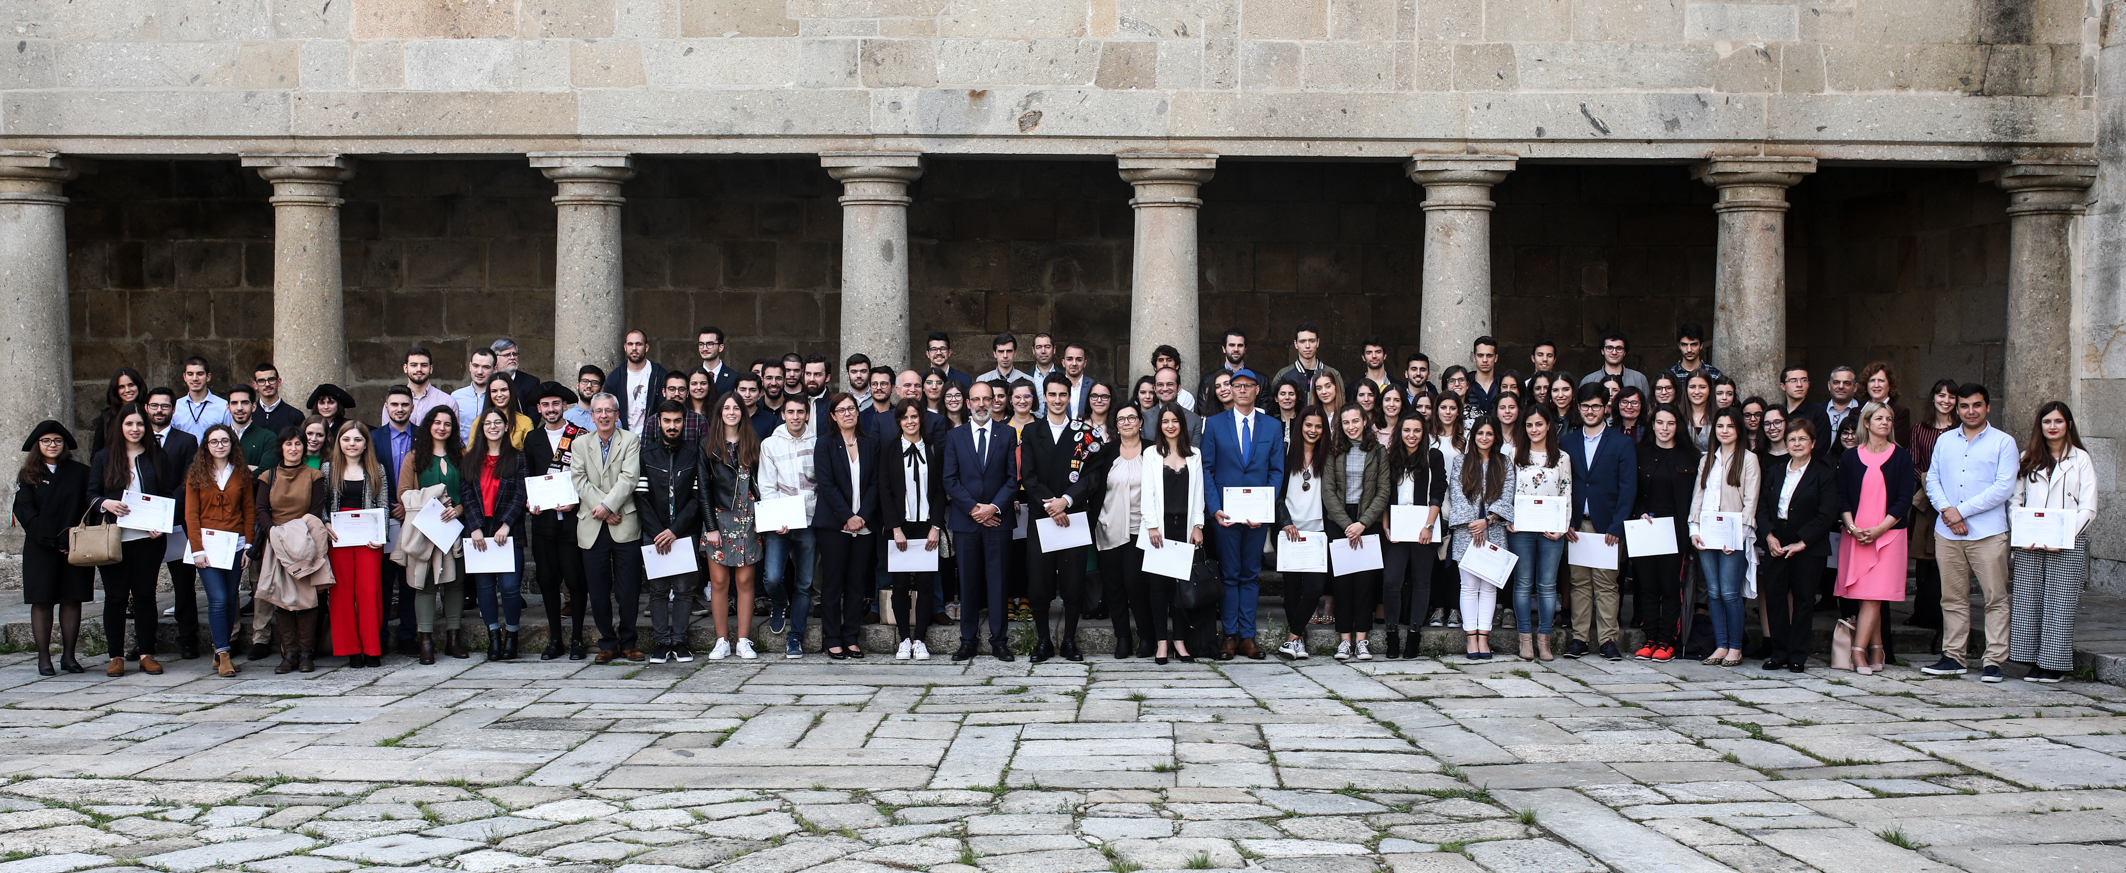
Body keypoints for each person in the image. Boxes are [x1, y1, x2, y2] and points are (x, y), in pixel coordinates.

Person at [1922, 384, 2017, 681]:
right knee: (1951, 598)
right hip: (1948, 533)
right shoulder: (1945, 440)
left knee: (1995, 598)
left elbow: (2003, 487)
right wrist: (1948, 512)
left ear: (1988, 407)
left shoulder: (2004, 442)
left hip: (1988, 534)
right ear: (1957, 408)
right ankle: (1953, 656)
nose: (1970, 411)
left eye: (1976, 405)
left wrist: (1961, 512)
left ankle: (1994, 661)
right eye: (1964, 406)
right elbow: (1932, 479)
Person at [2007, 402, 2095, 683]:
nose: (2052, 426)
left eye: (2058, 421)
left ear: (2068, 424)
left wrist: (2065, 537)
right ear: (2040, 426)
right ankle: (2032, 660)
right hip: (2029, 543)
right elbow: (2014, 500)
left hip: (2066, 543)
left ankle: (2053, 664)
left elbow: (2089, 506)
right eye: (2047, 422)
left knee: (2060, 602)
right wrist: (2021, 532)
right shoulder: (2027, 457)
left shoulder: (2080, 459)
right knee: (2027, 600)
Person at [1022, 373, 1107, 661]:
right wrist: (1051, 505)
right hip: (1042, 517)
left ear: (1069, 398)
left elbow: (1093, 475)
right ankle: (1043, 641)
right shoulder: (1032, 433)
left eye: (1063, 395)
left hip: (1073, 517)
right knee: (1039, 584)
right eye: (1052, 395)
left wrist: (1066, 501)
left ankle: (1069, 641)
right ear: (1043, 397)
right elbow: (1028, 477)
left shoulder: (1085, 433)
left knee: (1073, 584)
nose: (1058, 400)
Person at [1202, 369, 1282, 661]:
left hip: (1257, 515)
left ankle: (1248, 637)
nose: (1243, 390)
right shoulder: (1213, 425)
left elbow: (1276, 471)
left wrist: (1265, 508)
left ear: (1257, 390)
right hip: (1226, 514)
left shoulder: (1272, 426)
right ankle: (1229, 636)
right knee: (1229, 574)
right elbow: (1206, 470)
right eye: (1237, 386)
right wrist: (1214, 508)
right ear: (1230, 391)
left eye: (1249, 386)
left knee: (1250, 575)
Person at [89, 402, 173, 676]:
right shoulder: (103, 458)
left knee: (146, 595)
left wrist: (161, 523)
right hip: (114, 538)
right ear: (119, 427)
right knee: (114, 597)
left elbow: (169, 495)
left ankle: (146, 653)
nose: (135, 429)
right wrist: (106, 504)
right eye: (129, 424)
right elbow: (90, 494)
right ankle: (115, 656)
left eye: (139, 424)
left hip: (148, 539)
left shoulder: (158, 457)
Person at [1839, 401, 1917, 676]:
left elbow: (1904, 499)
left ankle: (1857, 652)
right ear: (1867, 423)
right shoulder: (1849, 457)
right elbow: (1843, 498)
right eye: (1879, 418)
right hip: (1856, 535)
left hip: (1889, 535)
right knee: (1867, 596)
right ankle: (1876, 648)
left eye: (1889, 419)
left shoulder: (1901, 457)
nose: (1885, 422)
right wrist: (1852, 528)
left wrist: (1880, 529)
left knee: (1873, 597)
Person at [1756, 419, 1839, 673]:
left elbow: (1827, 514)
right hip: (1776, 541)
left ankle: (1798, 655)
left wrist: (1802, 542)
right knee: (1775, 598)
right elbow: (1761, 506)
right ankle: (1779, 653)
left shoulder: (1823, 473)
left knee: (1803, 600)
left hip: (1808, 545)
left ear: (1813, 443)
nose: (1797, 443)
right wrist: (1769, 536)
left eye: (1802, 439)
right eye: (1792, 439)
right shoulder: (1776, 470)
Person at [944, 380, 1019, 662]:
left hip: (998, 521)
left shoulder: (1008, 434)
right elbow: (950, 480)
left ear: (995, 402)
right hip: (966, 522)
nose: (982, 404)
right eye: (976, 399)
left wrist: (993, 508)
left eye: (987, 399)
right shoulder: (955, 436)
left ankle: (999, 641)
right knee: (968, 583)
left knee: (998, 583)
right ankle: (968, 640)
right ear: (968, 404)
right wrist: (976, 509)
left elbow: (1013, 479)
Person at [15, 422, 95, 676]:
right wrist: (49, 539)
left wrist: (69, 540)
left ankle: (69, 656)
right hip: (41, 547)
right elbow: (25, 511)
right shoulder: (28, 474)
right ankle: (44, 657)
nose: (52, 445)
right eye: (46, 440)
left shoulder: (81, 472)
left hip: (74, 545)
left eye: (57, 441)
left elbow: (87, 508)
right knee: (42, 600)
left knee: (72, 599)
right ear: (37, 445)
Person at [575, 393, 647, 664]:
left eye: (609, 411)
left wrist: (609, 506)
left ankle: (629, 643)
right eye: (598, 411)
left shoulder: (630, 440)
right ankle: (607, 642)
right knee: (598, 588)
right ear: (591, 416)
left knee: (628, 589)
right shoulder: (580, 444)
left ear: (617, 415)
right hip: (593, 524)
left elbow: (630, 478)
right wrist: (603, 510)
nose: (604, 416)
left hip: (624, 521)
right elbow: (579, 480)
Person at [1689, 408, 1761, 667]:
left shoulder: (1749, 459)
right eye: (1720, 426)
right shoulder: (1707, 458)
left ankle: (1735, 647)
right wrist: (1693, 529)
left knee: (1730, 593)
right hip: (1707, 533)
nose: (1724, 430)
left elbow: (1751, 501)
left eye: (1730, 426)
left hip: (1733, 535)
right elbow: (1698, 495)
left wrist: (1738, 538)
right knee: (1714, 593)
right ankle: (1720, 645)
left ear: (1738, 429)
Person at [254, 427, 330, 674]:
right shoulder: (268, 476)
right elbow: (262, 509)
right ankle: (289, 654)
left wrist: (296, 536)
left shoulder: (314, 475)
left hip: (305, 543)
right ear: (281, 447)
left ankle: (307, 654)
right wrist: (274, 534)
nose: (294, 448)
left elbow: (316, 510)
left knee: (308, 599)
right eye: (289, 444)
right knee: (282, 599)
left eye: (298, 444)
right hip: (276, 544)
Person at [813, 392, 881, 660]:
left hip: (863, 525)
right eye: (841, 410)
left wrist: (862, 515)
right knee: (833, 583)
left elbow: (876, 483)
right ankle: (832, 638)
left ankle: (851, 636)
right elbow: (826, 485)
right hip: (833, 525)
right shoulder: (825, 444)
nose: (847, 414)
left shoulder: (870, 444)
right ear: (832, 416)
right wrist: (847, 516)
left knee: (857, 583)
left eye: (851, 408)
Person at [525, 382, 588, 660]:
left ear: (565, 406)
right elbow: (527, 476)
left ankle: (576, 639)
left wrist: (577, 501)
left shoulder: (581, 436)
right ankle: (555, 639)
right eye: (545, 405)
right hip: (544, 523)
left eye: (556, 404)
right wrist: (529, 501)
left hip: (573, 521)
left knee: (576, 581)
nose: (551, 409)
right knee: (548, 581)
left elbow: (590, 477)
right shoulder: (532, 439)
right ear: (539, 409)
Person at [1630, 405, 1698, 662]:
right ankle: (1649, 638)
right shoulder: (1639, 453)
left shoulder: (1691, 457)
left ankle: (1666, 640)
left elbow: (1696, 497)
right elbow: (1630, 490)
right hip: (1645, 529)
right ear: (1653, 425)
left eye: (1670, 423)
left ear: (1677, 426)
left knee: (1671, 588)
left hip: (1675, 532)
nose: (1665, 428)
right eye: (1660, 423)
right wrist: (1640, 512)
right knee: (1647, 586)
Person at [400, 407, 468, 662]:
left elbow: (470, 491)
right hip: (425, 529)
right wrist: (429, 502)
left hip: (453, 528)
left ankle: (453, 638)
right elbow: (403, 493)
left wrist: (458, 509)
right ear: (428, 425)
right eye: (437, 423)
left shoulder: (461, 455)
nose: (442, 427)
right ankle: (425, 640)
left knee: (455, 583)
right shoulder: (414, 457)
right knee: (425, 584)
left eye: (447, 424)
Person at [638, 400, 703, 664]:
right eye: (667, 420)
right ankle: (662, 643)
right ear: (659, 422)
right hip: (654, 534)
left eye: (677, 421)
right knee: (658, 591)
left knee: (684, 590)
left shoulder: (693, 453)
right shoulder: (646, 455)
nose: (672, 426)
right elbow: (640, 498)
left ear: (684, 422)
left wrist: (674, 531)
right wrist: (658, 532)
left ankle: (680, 641)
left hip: (684, 532)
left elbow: (697, 498)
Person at [461, 409, 528, 661]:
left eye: (497, 422)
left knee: (510, 588)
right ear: (481, 428)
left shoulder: (518, 458)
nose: (492, 427)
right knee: (485, 587)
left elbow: (521, 493)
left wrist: (506, 524)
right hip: (480, 531)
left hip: (508, 530)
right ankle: (494, 638)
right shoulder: (470, 460)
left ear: (506, 426)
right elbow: (466, 495)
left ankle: (512, 635)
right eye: (487, 423)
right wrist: (475, 526)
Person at [1139, 403, 1205, 663]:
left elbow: (1198, 492)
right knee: (1158, 589)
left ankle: (1179, 640)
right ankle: (1162, 643)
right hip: (1159, 530)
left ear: (1182, 424)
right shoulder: (1151, 454)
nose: (1170, 425)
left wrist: (1198, 525)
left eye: (1174, 421)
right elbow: (1148, 494)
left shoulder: (1195, 455)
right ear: (1160, 425)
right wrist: (1152, 525)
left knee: (1180, 588)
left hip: (1185, 529)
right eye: (1165, 421)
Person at [1322, 404, 1388, 661]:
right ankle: (1344, 641)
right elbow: (1328, 491)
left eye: (1355, 421)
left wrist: (1362, 523)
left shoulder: (1379, 451)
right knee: (1342, 583)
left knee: (1364, 583)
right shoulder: (1333, 450)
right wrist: (1346, 523)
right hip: (1340, 521)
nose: (1351, 427)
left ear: (1364, 421)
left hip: (1367, 520)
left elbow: (1383, 490)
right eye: (1346, 422)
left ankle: (1361, 640)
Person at [324, 421, 392, 667]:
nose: (351, 444)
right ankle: (351, 649)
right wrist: (325, 524)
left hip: (369, 539)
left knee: (369, 592)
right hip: (338, 537)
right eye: (346, 439)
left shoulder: (377, 469)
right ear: (339, 443)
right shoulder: (327, 469)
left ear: (365, 444)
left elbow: (383, 504)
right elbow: (321, 504)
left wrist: (380, 534)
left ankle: (372, 648)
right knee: (341, 592)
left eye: (357, 440)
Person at [703, 394, 765, 661]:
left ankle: (742, 640)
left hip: (749, 517)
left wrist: (764, 519)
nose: (731, 412)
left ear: (743, 412)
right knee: (719, 582)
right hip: (718, 518)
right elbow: (703, 490)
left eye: (735, 408)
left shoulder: (753, 443)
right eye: (726, 408)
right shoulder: (708, 445)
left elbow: (763, 483)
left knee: (745, 580)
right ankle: (720, 641)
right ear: (719, 413)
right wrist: (710, 526)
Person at [881, 400, 944, 660]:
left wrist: (936, 526)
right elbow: (884, 490)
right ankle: (904, 638)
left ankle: (921, 639)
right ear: (899, 421)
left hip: (926, 525)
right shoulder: (889, 449)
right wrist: (895, 527)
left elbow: (940, 490)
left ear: (921, 419)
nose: (910, 421)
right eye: (905, 417)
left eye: (914, 416)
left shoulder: (933, 448)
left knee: (927, 584)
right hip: (900, 525)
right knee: (900, 584)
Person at [1507, 408, 1571, 662]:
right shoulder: (1514, 454)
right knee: (1523, 584)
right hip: (1521, 530)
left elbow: (1566, 492)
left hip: (1550, 531)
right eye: (1530, 425)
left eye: (1539, 424)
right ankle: (1525, 639)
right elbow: (1507, 490)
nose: (1534, 429)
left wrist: (1562, 528)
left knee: (1547, 586)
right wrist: (1508, 519)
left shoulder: (1562, 457)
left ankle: (1544, 639)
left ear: (1548, 426)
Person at [1447, 416, 1513, 660]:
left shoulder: (1503, 462)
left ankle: (1484, 637)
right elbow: (1456, 493)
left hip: (1494, 529)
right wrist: (1473, 524)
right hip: (1467, 531)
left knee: (1488, 587)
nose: (1484, 437)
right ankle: (1470, 637)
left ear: (1496, 437)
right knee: (1468, 586)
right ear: (1473, 436)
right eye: (1480, 433)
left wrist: (1488, 520)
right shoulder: (1461, 461)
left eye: (1489, 433)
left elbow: (1508, 495)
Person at [1379, 412, 1443, 660]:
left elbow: (1438, 491)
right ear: (1400, 432)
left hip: (1422, 530)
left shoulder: (1432, 456)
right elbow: (1383, 494)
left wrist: (1428, 525)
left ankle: (1414, 636)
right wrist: (1385, 527)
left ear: (1423, 433)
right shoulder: (1390, 457)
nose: (1411, 435)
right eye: (1407, 430)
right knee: (1391, 581)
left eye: (1417, 430)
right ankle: (1392, 635)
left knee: (1421, 582)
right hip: (1396, 529)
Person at [759, 396, 818, 659]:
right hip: (780, 522)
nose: (795, 416)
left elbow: (820, 485)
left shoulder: (818, 443)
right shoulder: (770, 444)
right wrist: (777, 517)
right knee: (772, 577)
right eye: (790, 412)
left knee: (805, 584)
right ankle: (779, 603)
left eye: (800, 412)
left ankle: (795, 637)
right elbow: (767, 486)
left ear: (807, 414)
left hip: (809, 520)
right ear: (783, 414)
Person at [1274, 405, 1332, 659]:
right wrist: (1285, 522)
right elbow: (1276, 493)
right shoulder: (1286, 454)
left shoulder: (1329, 456)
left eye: (1319, 426)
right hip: (1290, 532)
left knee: (1314, 588)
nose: (1313, 430)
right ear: (1300, 427)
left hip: (1318, 532)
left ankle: (1292, 638)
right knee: (1292, 590)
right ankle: (1297, 640)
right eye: (1308, 425)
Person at [1908, 378, 1959, 637]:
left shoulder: (1960, 429)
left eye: (1951, 396)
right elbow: (1914, 462)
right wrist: (1931, 482)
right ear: (1933, 397)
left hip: (1956, 501)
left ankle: (1941, 610)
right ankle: (1921, 610)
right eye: (1941, 395)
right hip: (1927, 500)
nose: (1946, 400)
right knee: (1923, 557)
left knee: (1946, 557)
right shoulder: (1920, 429)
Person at [373, 385, 421, 655]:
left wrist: (407, 506)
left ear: (412, 407)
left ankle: (407, 636)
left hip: (412, 518)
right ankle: (378, 637)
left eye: (404, 405)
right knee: (381, 581)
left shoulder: (422, 438)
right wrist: (388, 507)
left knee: (409, 581)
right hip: (382, 519)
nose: (400, 409)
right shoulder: (372, 438)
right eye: (395, 405)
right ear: (386, 407)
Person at [611, 329, 669, 437]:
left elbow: (665, 408)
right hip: (623, 440)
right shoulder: (615, 377)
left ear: (646, 347)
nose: (634, 348)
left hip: (652, 440)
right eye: (630, 344)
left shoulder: (659, 375)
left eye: (638, 344)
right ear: (625, 347)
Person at [1275, 323, 1342, 400]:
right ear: (1296, 344)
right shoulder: (1282, 375)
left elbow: (1341, 403)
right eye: (1302, 341)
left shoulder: (1334, 374)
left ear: (1318, 342)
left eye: (1312, 341)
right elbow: (1275, 406)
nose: (1307, 346)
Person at [398, 346, 461, 427]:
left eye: (424, 365)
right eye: (414, 365)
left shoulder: (447, 402)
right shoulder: (393, 403)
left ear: (431, 369)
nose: (419, 369)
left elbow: (454, 437)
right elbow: (386, 435)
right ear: (405, 368)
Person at [90, 368, 146, 459]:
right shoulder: (107, 416)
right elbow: (96, 452)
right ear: (116, 390)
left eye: (131, 385)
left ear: (139, 386)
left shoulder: (148, 412)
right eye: (121, 387)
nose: (127, 390)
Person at [172, 357, 233, 440]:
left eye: (200, 374)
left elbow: (230, 437)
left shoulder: (223, 407)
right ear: (184, 377)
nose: (195, 378)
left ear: (208, 377)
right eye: (190, 374)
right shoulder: (176, 406)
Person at [1580, 331, 1651, 400]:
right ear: (1602, 351)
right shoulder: (1589, 380)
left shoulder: (1639, 379)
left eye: (1619, 348)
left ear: (1624, 352)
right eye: (1609, 348)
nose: (1614, 352)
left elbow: (1647, 408)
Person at [1857, 362, 1913, 450]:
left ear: (1889, 385)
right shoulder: (1855, 412)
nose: (1876, 385)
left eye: (1881, 381)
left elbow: (1900, 444)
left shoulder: (1900, 412)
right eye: (1872, 380)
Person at [490, 337, 542, 415]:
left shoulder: (531, 382)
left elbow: (534, 415)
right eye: (507, 355)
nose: (512, 357)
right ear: (495, 358)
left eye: (514, 354)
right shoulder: (488, 380)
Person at [228, 385, 276, 471]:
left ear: (253, 407)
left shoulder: (268, 438)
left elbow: (266, 473)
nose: (239, 408)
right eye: (234, 403)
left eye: (245, 403)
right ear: (228, 408)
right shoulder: (218, 437)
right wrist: (250, 469)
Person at [250, 364, 305, 438]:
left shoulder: (295, 416)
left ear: (278, 382)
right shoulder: (249, 414)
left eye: (271, 379)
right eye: (261, 381)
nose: (267, 384)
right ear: (255, 385)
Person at [1818, 366, 1861, 458]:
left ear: (1855, 387)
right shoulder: (1817, 410)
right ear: (1829, 386)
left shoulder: (1864, 411)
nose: (1841, 387)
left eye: (1847, 383)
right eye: (1836, 382)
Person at [484, 373, 536, 448]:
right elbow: (473, 453)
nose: (499, 394)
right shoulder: (479, 421)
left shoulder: (525, 422)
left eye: (504, 390)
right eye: (494, 391)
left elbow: (530, 454)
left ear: (511, 391)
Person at [1198, 329, 1250, 400]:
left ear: (1245, 349)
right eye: (1232, 345)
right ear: (1224, 348)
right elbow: (1204, 409)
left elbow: (1263, 410)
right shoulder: (1208, 380)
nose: (1236, 349)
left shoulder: (1261, 380)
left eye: (1240, 345)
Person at [691, 326, 740, 396]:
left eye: (710, 344)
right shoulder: (689, 376)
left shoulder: (734, 378)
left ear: (721, 347)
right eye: (701, 344)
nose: (704, 348)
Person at [1466, 337, 1500, 415]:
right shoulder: (1464, 383)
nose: (1485, 360)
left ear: (1496, 358)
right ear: (1474, 357)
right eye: (1480, 355)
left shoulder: (1503, 384)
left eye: (1489, 355)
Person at [1683, 372, 1715, 452]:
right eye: (1692, 387)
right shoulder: (1678, 415)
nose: (1697, 391)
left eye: (1702, 387)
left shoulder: (1718, 416)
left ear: (1710, 390)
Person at [566, 366, 604, 431]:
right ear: (577, 385)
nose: (589, 385)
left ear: (601, 389)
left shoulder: (610, 419)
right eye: (585, 381)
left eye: (594, 382)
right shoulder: (565, 418)